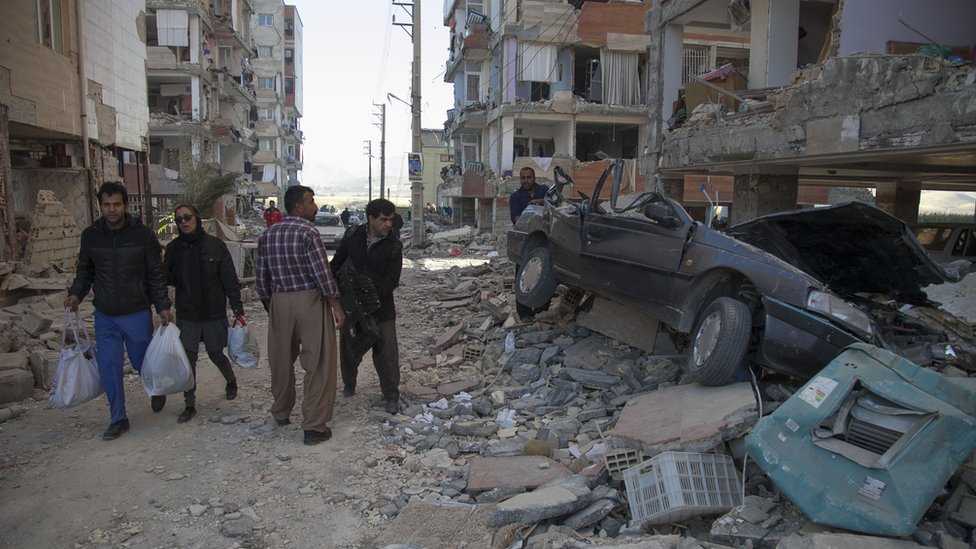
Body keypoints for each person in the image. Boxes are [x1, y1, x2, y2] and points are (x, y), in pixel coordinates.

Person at [65, 182, 174, 440]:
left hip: (136, 311)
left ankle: (156, 388)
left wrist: (163, 306)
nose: (111, 210)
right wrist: (76, 293)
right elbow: (85, 271)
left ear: (125, 205)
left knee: (141, 361)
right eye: (107, 205)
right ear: (100, 206)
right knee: (109, 367)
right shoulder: (91, 236)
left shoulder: (142, 235)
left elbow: (155, 274)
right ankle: (118, 418)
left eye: (116, 204)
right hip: (105, 314)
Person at [256, 185, 346, 445]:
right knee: (318, 362)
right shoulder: (308, 232)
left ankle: (281, 412)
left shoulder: (267, 235)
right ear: (298, 206)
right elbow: (322, 273)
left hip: (279, 299)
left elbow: (261, 279)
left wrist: (272, 305)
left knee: (281, 360)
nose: (315, 207)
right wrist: (336, 305)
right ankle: (314, 426)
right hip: (309, 299)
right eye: (311, 202)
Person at [163, 204, 244, 424]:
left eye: (187, 217)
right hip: (188, 314)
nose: (184, 222)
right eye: (179, 219)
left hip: (213, 312)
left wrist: (237, 307)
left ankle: (231, 380)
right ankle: (189, 403)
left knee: (216, 353)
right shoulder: (174, 249)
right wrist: (163, 307)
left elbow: (229, 279)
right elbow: (165, 279)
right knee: (188, 358)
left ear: (197, 218)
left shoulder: (216, 247)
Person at [330, 198, 403, 414]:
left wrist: (370, 293)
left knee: (387, 350)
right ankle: (349, 383)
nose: (388, 224)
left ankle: (391, 394)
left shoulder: (394, 245)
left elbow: (392, 279)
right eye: (383, 220)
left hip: (381, 305)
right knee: (349, 347)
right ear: (371, 218)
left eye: (391, 220)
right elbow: (335, 265)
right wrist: (339, 294)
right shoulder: (353, 236)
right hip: (352, 305)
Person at [509, 167, 551, 319]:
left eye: (528, 177)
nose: (526, 180)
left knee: (544, 276)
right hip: (525, 243)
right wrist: (530, 213)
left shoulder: (544, 191)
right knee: (523, 276)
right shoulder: (516, 197)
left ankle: (541, 310)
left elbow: (556, 205)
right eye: (523, 178)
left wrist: (542, 202)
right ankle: (524, 313)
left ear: (534, 178)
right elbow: (515, 218)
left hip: (544, 241)